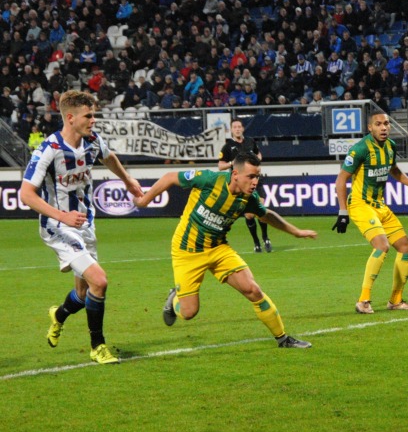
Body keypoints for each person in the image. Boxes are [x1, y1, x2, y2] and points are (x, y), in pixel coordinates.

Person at [132, 152, 316, 349]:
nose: (255, 182)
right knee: (188, 312)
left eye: (257, 176)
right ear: (235, 174)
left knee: (253, 290)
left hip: (219, 248)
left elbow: (266, 215)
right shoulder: (210, 180)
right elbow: (170, 177)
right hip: (187, 251)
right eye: (251, 176)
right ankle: (174, 298)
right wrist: (144, 201)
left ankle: (283, 339)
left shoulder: (249, 198)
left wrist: (296, 232)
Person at [20, 90, 143, 364]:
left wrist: (127, 180)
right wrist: (62, 217)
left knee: (83, 292)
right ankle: (97, 346)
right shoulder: (49, 150)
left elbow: (108, 157)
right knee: (100, 281)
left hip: (85, 224)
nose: (94, 120)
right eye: (89, 116)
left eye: (94, 115)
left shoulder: (92, 140)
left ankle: (59, 315)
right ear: (70, 117)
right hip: (58, 227)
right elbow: (26, 194)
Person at [333, 112, 408, 314]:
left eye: (386, 123)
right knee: (382, 245)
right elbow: (341, 180)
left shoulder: (390, 147)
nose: (384, 127)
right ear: (370, 128)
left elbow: (393, 170)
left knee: (405, 246)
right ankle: (363, 300)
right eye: (378, 124)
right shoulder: (359, 149)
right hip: (360, 204)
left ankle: (395, 300)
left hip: (380, 205)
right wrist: (343, 212)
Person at [218, 119, 272, 253]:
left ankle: (265, 237)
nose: (237, 129)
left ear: (242, 129)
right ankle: (256, 242)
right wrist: (232, 163)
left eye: (239, 126)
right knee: (249, 215)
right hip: (241, 185)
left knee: (261, 209)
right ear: (231, 130)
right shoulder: (227, 146)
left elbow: (258, 153)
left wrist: (257, 159)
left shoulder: (250, 141)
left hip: (254, 180)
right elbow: (220, 166)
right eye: (234, 127)